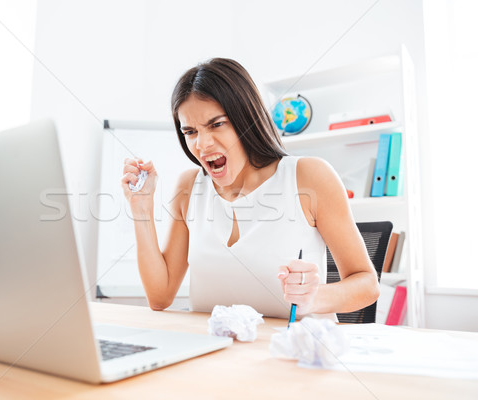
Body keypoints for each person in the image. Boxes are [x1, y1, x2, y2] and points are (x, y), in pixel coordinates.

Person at [121, 58, 379, 319]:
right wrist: (141, 208)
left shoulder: (309, 177)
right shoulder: (189, 187)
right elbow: (160, 296)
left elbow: (367, 284)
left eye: (216, 124)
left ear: (246, 118)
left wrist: (316, 297)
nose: (202, 144)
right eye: (190, 132)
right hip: (215, 351)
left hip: (292, 350)